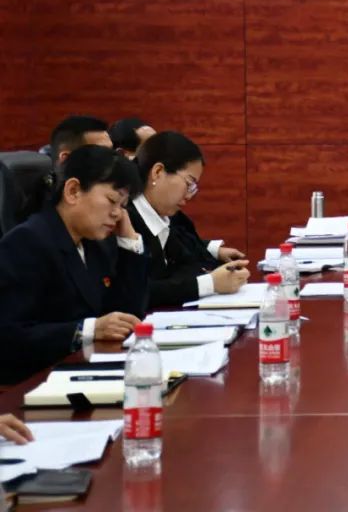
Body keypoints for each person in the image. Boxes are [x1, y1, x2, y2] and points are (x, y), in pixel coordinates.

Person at [0, 146, 149, 385]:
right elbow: (9, 336)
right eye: (112, 200)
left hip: (83, 371)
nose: (117, 214)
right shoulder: (27, 242)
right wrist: (87, 330)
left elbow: (126, 315)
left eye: (123, 205)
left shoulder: (94, 244)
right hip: (33, 384)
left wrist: (130, 242)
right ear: (73, 191)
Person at [131, 131, 248, 308]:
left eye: (194, 187)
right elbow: (137, 291)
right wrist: (210, 283)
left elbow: (186, 267)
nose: (189, 195)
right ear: (158, 172)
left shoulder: (165, 216)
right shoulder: (125, 219)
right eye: (188, 183)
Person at [18, 116, 114, 223]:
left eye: (112, 152)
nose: (114, 160)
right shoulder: (41, 212)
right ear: (66, 159)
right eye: (102, 154)